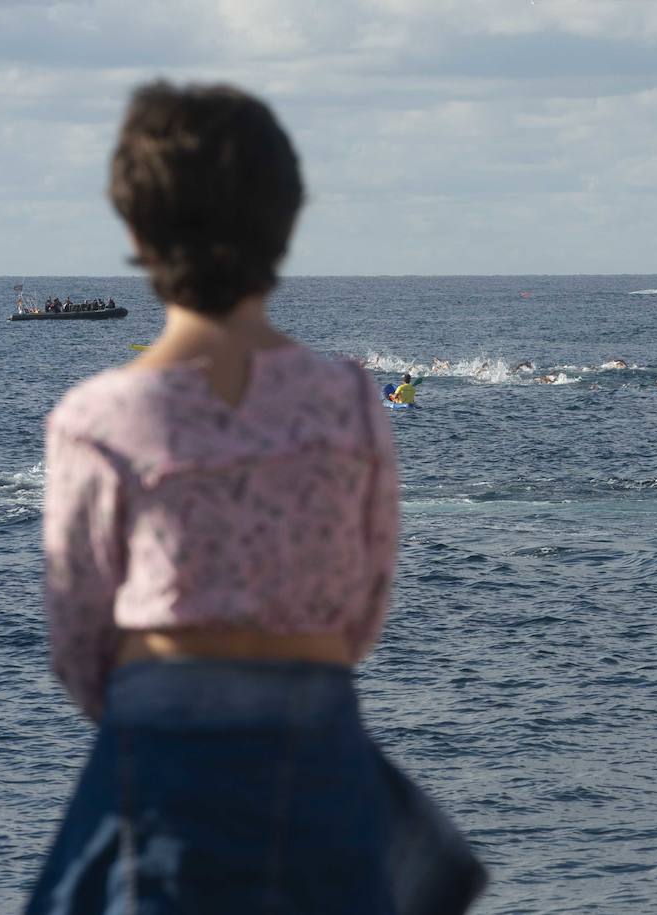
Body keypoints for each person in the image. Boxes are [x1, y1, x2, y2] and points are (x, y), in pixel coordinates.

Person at [29, 81, 484, 914]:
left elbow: (78, 645)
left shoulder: (94, 421)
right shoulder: (351, 402)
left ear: (135, 229)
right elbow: (361, 611)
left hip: (161, 766)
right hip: (317, 758)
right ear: (288, 220)